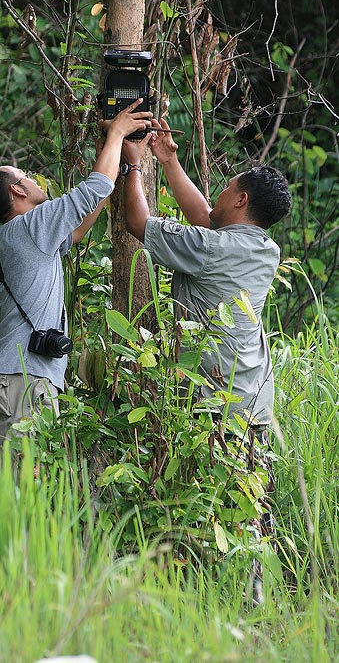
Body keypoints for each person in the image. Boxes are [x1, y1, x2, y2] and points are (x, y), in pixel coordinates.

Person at [114, 116, 291, 604]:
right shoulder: (263, 248)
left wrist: (134, 168)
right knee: (249, 499)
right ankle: (243, 597)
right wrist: (169, 160)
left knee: (220, 500)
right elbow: (208, 222)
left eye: (227, 187)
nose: (219, 196)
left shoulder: (211, 249)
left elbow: (137, 223)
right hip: (253, 396)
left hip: (220, 399)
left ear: (240, 200)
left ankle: (229, 601)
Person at [0, 99, 153, 461]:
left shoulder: (5, 239)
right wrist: (117, 131)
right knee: (27, 495)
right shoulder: (30, 227)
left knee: (6, 493)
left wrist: (117, 162)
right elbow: (89, 191)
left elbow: (77, 228)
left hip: (0, 381)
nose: (34, 179)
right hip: (21, 384)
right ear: (18, 192)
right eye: (27, 176)